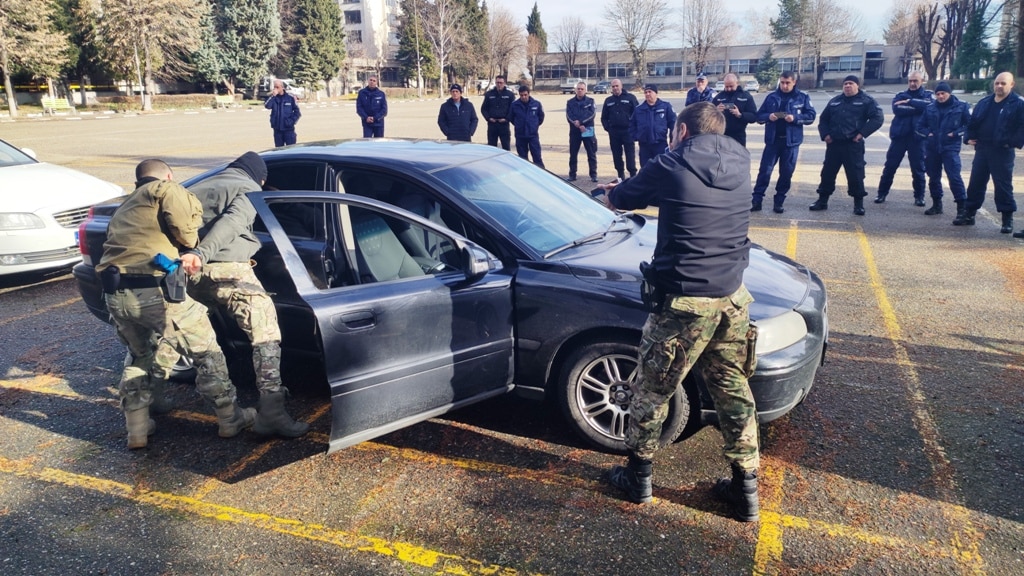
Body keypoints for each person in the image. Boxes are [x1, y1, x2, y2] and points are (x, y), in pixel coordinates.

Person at [599, 102, 760, 522]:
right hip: (732, 297)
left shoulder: (671, 162)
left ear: (683, 131)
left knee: (652, 390)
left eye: (674, 132)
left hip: (684, 302)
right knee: (733, 390)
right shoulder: (741, 159)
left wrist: (611, 192)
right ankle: (746, 490)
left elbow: (623, 197)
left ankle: (639, 478)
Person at [98, 159, 255, 449]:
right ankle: (230, 418)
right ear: (168, 176)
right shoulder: (166, 189)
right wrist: (193, 245)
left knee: (139, 355)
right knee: (206, 352)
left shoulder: (125, 204)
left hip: (116, 294)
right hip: (154, 291)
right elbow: (186, 232)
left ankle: (137, 429)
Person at [183, 152, 309, 438]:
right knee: (265, 331)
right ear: (260, 178)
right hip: (225, 268)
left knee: (194, 338)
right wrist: (201, 253)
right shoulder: (250, 188)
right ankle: (272, 413)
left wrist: (190, 256)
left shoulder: (197, 187)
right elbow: (234, 222)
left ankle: (146, 408)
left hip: (188, 272)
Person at [809, 75, 884, 215]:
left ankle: (858, 204)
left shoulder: (866, 101)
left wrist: (862, 133)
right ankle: (822, 201)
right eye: (845, 84)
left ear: (857, 85)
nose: (847, 86)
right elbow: (823, 119)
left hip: (852, 145)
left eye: (851, 83)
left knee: (856, 175)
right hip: (834, 145)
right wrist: (825, 135)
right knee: (827, 174)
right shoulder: (835, 101)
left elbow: (877, 118)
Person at [961, 71, 1024, 233]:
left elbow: (1022, 127)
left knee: (1003, 185)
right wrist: (968, 137)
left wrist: (1011, 142)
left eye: (1003, 83)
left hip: (1002, 151)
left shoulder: (1018, 104)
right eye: (997, 83)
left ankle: (1007, 219)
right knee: (976, 183)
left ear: (1012, 85)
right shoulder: (985, 102)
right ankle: (969, 214)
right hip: (982, 149)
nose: (999, 86)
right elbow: (972, 122)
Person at [751, 71, 817, 213]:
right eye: (782, 82)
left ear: (794, 82)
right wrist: (769, 116)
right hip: (773, 142)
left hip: (790, 143)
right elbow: (759, 116)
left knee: (786, 173)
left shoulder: (802, 97)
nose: (784, 86)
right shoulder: (772, 97)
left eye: (787, 83)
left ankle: (779, 201)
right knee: (765, 172)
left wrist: (795, 118)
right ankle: (757, 200)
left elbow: (811, 116)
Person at [874, 71, 932, 206]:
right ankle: (881, 194)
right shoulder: (901, 95)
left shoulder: (928, 96)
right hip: (899, 137)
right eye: (910, 81)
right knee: (890, 167)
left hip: (918, 139)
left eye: (915, 81)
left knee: (918, 169)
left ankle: (919, 197)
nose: (912, 83)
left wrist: (910, 102)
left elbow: (929, 107)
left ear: (922, 81)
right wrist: (917, 107)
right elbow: (897, 109)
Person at [915, 82, 970, 217]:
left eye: (943, 93)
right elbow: (919, 126)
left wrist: (956, 133)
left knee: (954, 177)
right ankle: (936, 204)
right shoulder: (930, 108)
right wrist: (928, 133)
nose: (940, 96)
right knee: (933, 177)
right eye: (938, 94)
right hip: (932, 147)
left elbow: (969, 125)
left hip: (950, 147)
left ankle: (962, 208)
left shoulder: (962, 106)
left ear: (949, 93)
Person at [600, 79, 639, 180]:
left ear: (621, 86)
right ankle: (620, 174)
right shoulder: (608, 100)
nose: (615, 88)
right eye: (613, 86)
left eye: (617, 86)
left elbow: (637, 114)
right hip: (614, 132)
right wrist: (608, 128)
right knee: (616, 154)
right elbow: (604, 117)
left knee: (630, 154)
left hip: (627, 131)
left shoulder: (630, 98)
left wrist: (634, 129)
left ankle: (633, 175)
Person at [630, 84, 677, 166]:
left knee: (661, 167)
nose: (647, 94)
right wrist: (636, 136)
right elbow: (632, 125)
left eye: (650, 92)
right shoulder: (639, 109)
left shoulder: (665, 107)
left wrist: (672, 140)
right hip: (644, 146)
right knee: (645, 168)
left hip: (660, 144)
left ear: (656, 93)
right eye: (646, 92)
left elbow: (674, 124)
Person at [711, 73, 757, 146]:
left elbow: (754, 117)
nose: (729, 89)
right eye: (726, 86)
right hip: (722, 135)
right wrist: (716, 111)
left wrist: (740, 115)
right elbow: (709, 116)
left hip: (738, 136)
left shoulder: (746, 96)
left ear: (737, 83)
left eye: (731, 86)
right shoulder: (718, 97)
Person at [566, 81, 599, 182]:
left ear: (585, 90)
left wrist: (581, 122)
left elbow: (592, 114)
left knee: (591, 153)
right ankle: (572, 174)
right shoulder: (570, 102)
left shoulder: (590, 101)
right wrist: (576, 123)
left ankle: (593, 175)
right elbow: (569, 115)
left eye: (582, 89)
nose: (580, 90)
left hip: (587, 129)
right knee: (573, 154)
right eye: (578, 89)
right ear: (575, 90)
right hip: (575, 130)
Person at [509, 85, 545, 167]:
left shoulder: (536, 104)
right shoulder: (514, 105)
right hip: (520, 135)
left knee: (537, 157)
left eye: (525, 95)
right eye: (521, 95)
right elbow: (511, 118)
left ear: (529, 94)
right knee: (523, 159)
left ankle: (540, 173)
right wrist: (519, 125)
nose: (523, 97)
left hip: (533, 135)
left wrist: (534, 125)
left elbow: (541, 117)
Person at [481, 75, 515, 150]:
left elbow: (512, 110)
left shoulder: (510, 95)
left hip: (504, 125)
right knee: (491, 148)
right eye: (497, 82)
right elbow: (483, 109)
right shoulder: (489, 94)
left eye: (501, 83)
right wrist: (488, 118)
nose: (499, 84)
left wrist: (507, 119)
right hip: (492, 125)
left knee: (506, 148)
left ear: (504, 83)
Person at [264, 79, 301, 147]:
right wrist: (273, 96)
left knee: (291, 149)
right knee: (279, 150)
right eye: (274, 87)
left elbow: (297, 112)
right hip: (277, 130)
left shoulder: (290, 98)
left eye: (277, 87)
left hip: (288, 129)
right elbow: (267, 106)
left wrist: (292, 121)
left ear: (282, 87)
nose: (276, 89)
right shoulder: (273, 98)